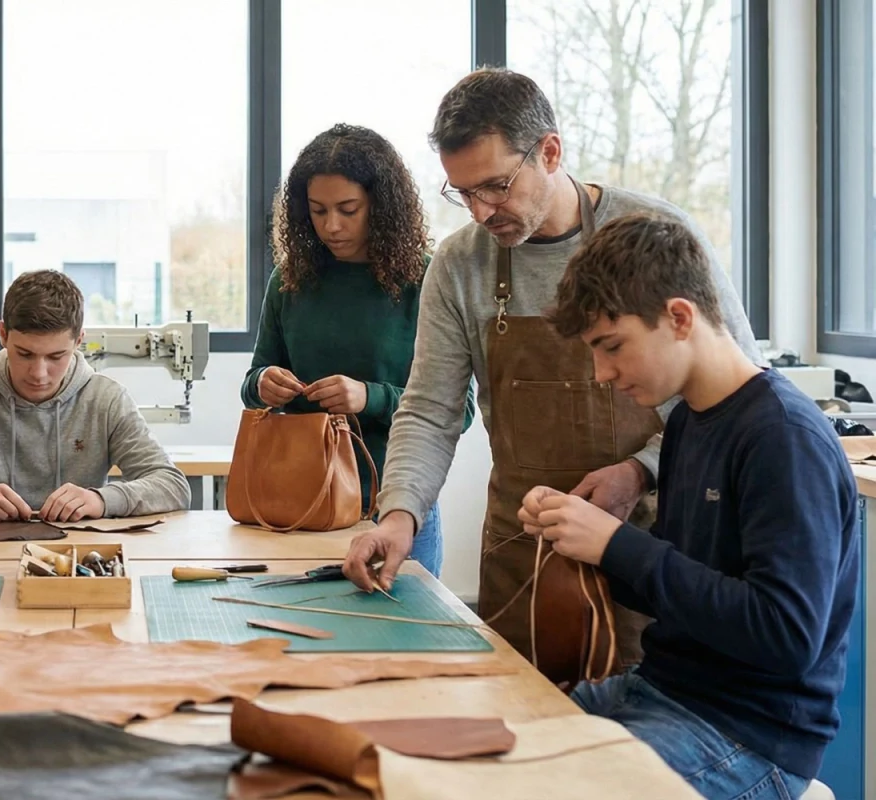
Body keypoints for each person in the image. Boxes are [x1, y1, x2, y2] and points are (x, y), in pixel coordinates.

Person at [340, 68, 762, 664]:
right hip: (525, 546)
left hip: (650, 544)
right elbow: (430, 409)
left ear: (551, 151)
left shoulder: (652, 236)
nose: (481, 211)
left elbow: (735, 393)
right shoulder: (460, 264)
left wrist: (640, 470)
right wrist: (399, 515)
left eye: (495, 186)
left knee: (634, 728)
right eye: (461, 193)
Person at [520, 214, 856, 799]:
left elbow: (786, 636)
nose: (601, 374)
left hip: (752, 735)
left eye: (611, 346)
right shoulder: (689, 424)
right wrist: (584, 538)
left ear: (679, 317)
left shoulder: (782, 436)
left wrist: (618, 544)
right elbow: (680, 591)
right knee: (490, 752)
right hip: (662, 691)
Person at [241, 123, 474, 575]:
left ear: (381, 205)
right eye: (318, 210)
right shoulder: (290, 281)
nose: (332, 226)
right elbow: (252, 383)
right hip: (300, 506)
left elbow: (458, 410)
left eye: (348, 209)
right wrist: (263, 384)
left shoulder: (426, 281)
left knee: (404, 639)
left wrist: (370, 397)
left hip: (396, 507)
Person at [0, 269, 190, 521]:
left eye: (57, 356)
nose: (39, 373)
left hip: (79, 556)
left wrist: (102, 500)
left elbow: (173, 486)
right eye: (25, 354)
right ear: (2, 334)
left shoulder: (106, 399)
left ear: (79, 341)